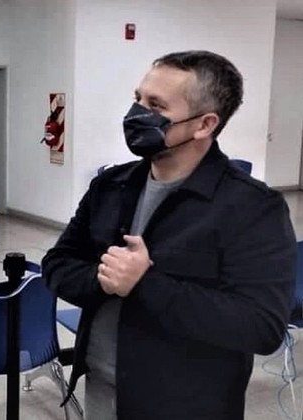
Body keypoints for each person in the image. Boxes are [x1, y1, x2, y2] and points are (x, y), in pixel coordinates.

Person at [42, 50, 296, 420]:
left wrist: (144, 284)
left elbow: (261, 326)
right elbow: (57, 264)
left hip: (187, 405)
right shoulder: (110, 186)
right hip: (99, 389)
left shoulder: (253, 208)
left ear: (204, 124)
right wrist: (105, 279)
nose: (136, 113)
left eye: (156, 105)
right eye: (138, 99)